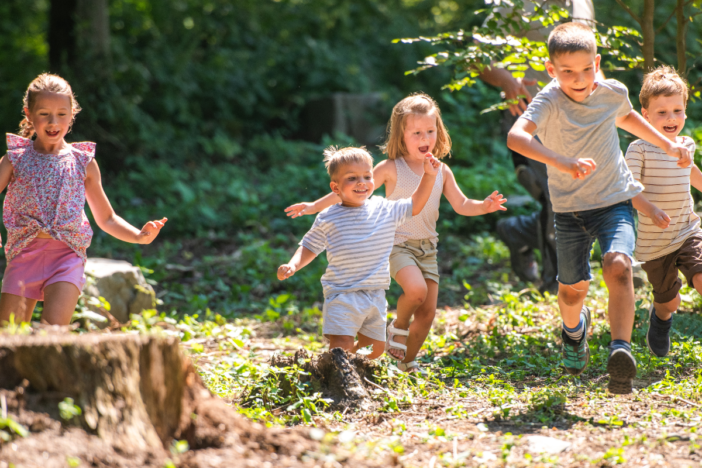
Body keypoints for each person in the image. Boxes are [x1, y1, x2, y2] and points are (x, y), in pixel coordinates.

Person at [507, 23, 691, 394]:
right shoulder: (548, 100)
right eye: (568, 72)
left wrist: (668, 145)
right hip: (570, 211)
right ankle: (574, 332)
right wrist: (561, 161)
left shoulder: (612, 92)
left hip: (613, 201)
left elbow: (628, 118)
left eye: (587, 69)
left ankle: (619, 351)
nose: (579, 79)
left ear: (598, 62)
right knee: (572, 290)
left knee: (619, 265)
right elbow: (517, 136)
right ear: (550, 70)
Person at [285, 93, 507, 372]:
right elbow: (353, 190)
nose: (424, 137)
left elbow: (462, 205)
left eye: (430, 130)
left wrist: (484, 206)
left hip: (428, 248)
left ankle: (405, 362)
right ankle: (398, 326)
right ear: (402, 135)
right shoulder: (391, 168)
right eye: (416, 132)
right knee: (416, 291)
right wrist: (314, 206)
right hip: (397, 243)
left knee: (427, 313)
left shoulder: (441, 170)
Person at [0, 73, 167, 327]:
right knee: (7, 335)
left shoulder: (83, 162)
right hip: (25, 254)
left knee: (54, 333)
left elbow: (107, 217)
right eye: (44, 113)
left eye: (62, 114)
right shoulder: (16, 159)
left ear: (72, 114)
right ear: (29, 113)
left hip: (67, 257)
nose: (53, 121)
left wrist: (138, 236)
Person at [277, 146, 441, 358]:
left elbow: (416, 204)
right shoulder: (328, 217)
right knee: (341, 344)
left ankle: (344, 369)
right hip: (342, 292)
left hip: (375, 293)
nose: (362, 182)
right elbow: (310, 245)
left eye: (367, 176)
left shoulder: (385, 209)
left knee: (374, 349)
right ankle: (337, 376)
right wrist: (293, 264)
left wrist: (429, 175)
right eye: (352, 178)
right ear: (335, 187)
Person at [478, 0, 597, 293]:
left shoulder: (584, 3)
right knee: (557, 195)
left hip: (580, 119)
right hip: (530, 119)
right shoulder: (514, 3)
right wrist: (508, 81)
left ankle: (516, 231)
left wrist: (606, 106)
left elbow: (593, 63)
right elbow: (479, 57)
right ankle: (556, 284)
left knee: (585, 197)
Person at [625, 66, 699, 358]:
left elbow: (692, 173)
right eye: (662, 112)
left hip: (688, 230)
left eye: (677, 111)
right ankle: (661, 317)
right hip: (656, 243)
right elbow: (629, 190)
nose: (671, 119)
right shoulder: (639, 149)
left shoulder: (686, 145)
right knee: (670, 302)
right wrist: (650, 209)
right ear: (645, 115)